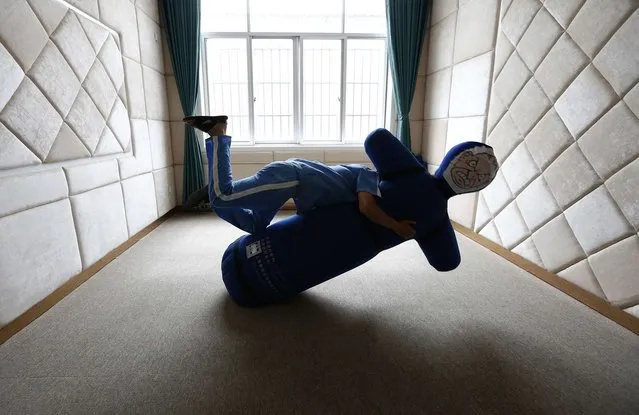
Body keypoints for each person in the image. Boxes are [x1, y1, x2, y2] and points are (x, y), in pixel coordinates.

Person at [183, 115, 417, 238]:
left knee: (255, 225)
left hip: (292, 182)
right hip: (290, 177)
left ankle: (217, 186)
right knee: (222, 197)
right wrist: (396, 226)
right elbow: (367, 207)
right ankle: (218, 131)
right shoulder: (370, 174)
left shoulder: (359, 183)